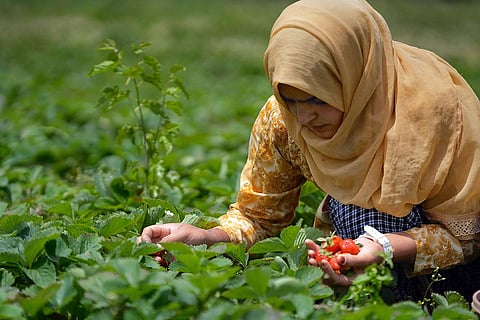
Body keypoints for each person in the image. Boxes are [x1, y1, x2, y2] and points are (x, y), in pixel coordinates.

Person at [138, 0, 480, 302]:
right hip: (364, 254)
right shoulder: (283, 121)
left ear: (357, 77)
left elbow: (467, 235)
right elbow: (260, 218)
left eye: (319, 97)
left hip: (456, 269)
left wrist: (387, 247)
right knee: (358, 212)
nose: (304, 116)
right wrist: (206, 237)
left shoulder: (434, 113)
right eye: (291, 98)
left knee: (369, 212)